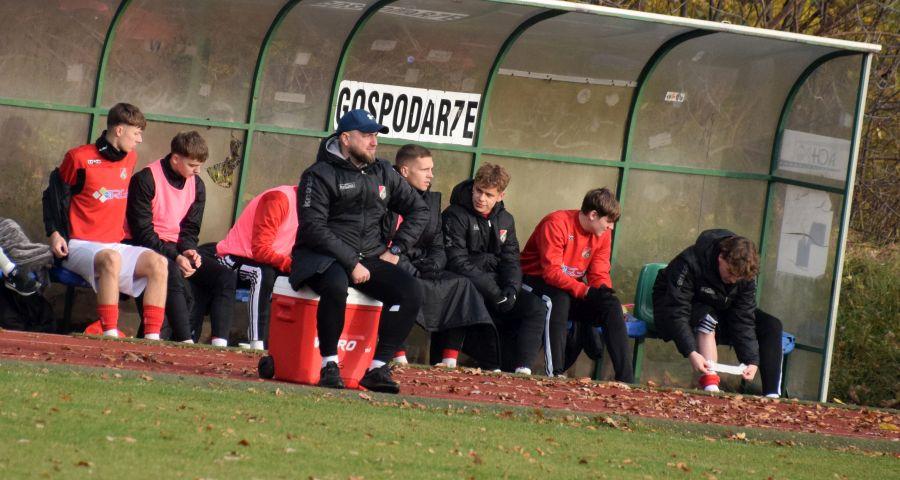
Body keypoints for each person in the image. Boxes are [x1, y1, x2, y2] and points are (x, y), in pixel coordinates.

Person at [289, 109, 428, 394]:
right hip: (321, 257)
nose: (374, 142)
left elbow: (419, 210)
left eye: (375, 135)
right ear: (345, 138)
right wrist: (351, 262)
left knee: (411, 291)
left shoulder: (383, 171)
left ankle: (378, 368)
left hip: (369, 256)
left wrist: (396, 249)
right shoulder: (318, 174)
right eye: (366, 135)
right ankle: (329, 364)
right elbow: (313, 228)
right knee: (335, 283)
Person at [42, 103, 168, 338]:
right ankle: (109, 335)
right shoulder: (78, 158)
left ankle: (152, 339)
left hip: (113, 244)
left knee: (159, 263)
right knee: (111, 259)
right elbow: (52, 195)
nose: (139, 139)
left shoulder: (130, 158)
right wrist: (54, 233)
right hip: (79, 245)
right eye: (136, 133)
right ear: (119, 130)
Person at [383, 145, 498, 369]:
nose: (431, 175)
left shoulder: (431, 200)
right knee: (401, 284)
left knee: (462, 284)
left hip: (423, 266)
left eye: (432, 169)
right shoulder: (386, 197)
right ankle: (397, 354)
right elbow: (385, 244)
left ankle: (449, 359)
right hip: (395, 264)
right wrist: (414, 270)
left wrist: (432, 266)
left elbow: (437, 242)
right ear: (404, 171)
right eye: (425, 170)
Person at [126, 131, 235, 346]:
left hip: (176, 249)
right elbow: (142, 233)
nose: (198, 171)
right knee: (173, 273)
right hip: (146, 247)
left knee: (225, 277)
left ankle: (220, 344)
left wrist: (188, 250)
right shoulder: (145, 179)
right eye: (192, 165)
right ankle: (186, 342)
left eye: (200, 166)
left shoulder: (197, 185)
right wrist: (176, 257)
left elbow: (190, 229)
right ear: (175, 158)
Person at [520, 188, 634, 382]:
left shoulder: (602, 234)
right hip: (534, 282)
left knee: (611, 304)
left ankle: (626, 380)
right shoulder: (556, 223)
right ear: (593, 215)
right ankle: (555, 374)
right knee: (559, 299)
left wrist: (602, 291)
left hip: (569, 287)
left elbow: (599, 271)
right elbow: (551, 273)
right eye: (608, 221)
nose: (611, 227)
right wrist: (586, 291)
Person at [652, 229, 784, 397]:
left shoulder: (745, 275)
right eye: (730, 273)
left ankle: (772, 395)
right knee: (707, 318)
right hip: (677, 309)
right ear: (721, 257)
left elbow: (743, 317)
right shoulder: (689, 262)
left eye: (738, 278)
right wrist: (691, 352)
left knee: (772, 325)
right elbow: (676, 309)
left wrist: (751, 360)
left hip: (722, 309)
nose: (733, 280)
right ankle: (711, 385)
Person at [442, 163, 546, 375]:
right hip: (469, 286)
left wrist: (511, 290)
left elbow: (511, 260)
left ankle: (523, 369)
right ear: (473, 186)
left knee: (536, 307)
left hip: (496, 286)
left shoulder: (506, 219)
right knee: (468, 291)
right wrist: (494, 292)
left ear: (500, 196)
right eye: (478, 190)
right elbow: (457, 261)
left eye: (489, 194)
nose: (481, 198)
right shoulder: (455, 214)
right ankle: (456, 360)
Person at [215, 184, 299, 350]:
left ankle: (289, 345)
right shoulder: (279, 199)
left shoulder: (314, 213)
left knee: (301, 279)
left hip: (271, 263)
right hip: (233, 258)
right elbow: (261, 250)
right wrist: (292, 266)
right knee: (262, 273)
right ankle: (256, 341)